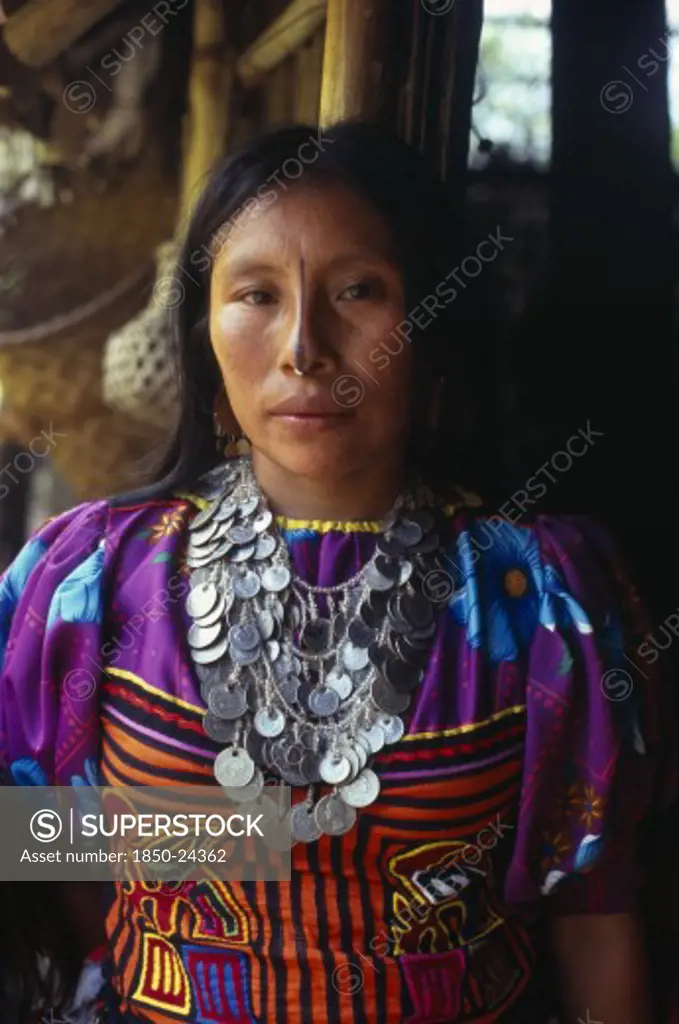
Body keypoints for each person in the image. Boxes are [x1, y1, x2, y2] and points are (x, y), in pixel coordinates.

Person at [0, 121, 673, 1023]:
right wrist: (257, 836)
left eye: (358, 290)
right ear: (204, 339)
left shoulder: (542, 600)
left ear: (433, 326)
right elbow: (36, 848)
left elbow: (593, 916)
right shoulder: (94, 577)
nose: (303, 347)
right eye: (256, 294)